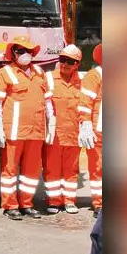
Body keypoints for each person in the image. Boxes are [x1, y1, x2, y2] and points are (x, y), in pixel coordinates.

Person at [0, 35, 52, 221]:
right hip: (14, 131)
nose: (25, 54)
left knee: (32, 171)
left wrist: (52, 121)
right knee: (9, 170)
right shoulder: (5, 73)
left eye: (28, 51)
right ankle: (10, 205)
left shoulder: (40, 72)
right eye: (20, 51)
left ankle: (27, 203)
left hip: (37, 130)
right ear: (13, 53)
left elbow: (47, 100)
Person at [43, 44, 84, 215]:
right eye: (62, 60)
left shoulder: (82, 83)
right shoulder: (49, 78)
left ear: (77, 64)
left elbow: (86, 106)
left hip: (74, 133)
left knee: (72, 168)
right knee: (52, 167)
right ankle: (54, 201)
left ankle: (69, 200)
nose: (65, 64)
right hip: (54, 134)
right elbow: (42, 104)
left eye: (70, 61)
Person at [78, 43, 103, 217]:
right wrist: (86, 125)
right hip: (99, 129)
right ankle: (99, 203)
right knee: (98, 166)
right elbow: (85, 102)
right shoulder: (94, 76)